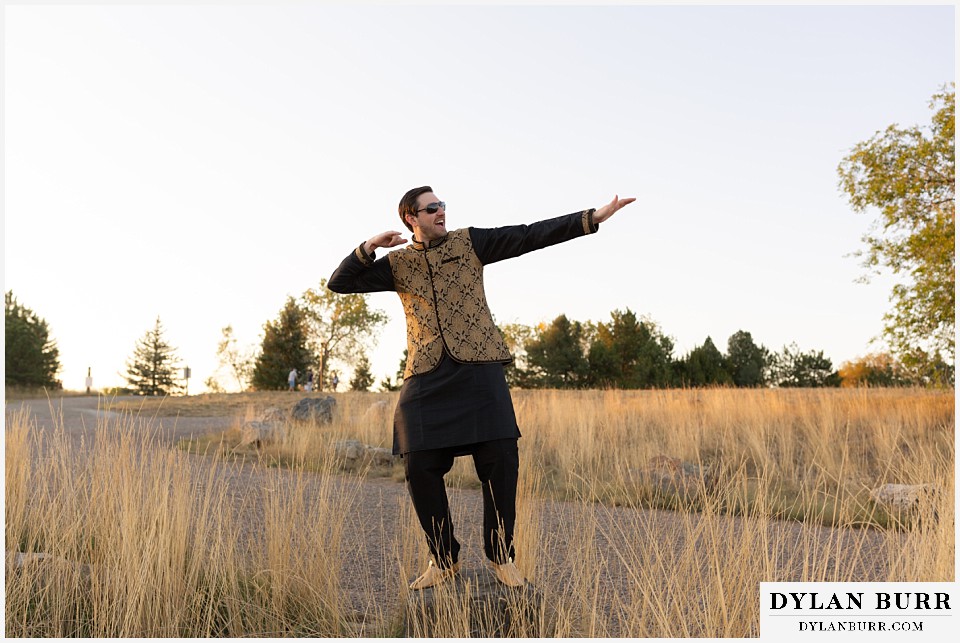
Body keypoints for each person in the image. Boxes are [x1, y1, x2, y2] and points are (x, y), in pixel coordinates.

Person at [328, 186, 634, 590]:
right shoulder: (396, 264)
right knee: (418, 463)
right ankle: (443, 559)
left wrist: (591, 218)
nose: (441, 212)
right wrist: (369, 246)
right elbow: (340, 282)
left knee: (501, 460)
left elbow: (527, 235)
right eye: (431, 208)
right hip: (425, 375)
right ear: (410, 218)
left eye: (442, 206)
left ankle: (501, 556)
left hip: (479, 369)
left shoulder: (471, 242)